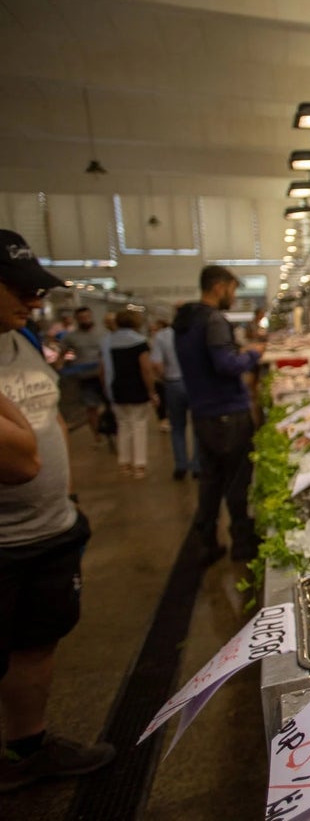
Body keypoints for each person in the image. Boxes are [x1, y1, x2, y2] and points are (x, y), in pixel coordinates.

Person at [0, 229, 115, 791]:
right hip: (3, 541)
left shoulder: (22, 338)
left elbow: (44, 422)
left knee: (37, 641)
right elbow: (19, 460)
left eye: (37, 288)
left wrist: (66, 494)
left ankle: (29, 744)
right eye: (19, 288)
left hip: (50, 530)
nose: (34, 299)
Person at [174, 265, 265, 565]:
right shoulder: (213, 319)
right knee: (238, 481)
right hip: (228, 413)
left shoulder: (185, 320)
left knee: (211, 481)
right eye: (233, 289)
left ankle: (206, 542)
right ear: (219, 287)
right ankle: (243, 545)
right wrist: (252, 353)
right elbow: (226, 364)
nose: (234, 296)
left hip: (202, 414)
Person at [100, 310, 158, 479]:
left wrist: (106, 389)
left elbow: (102, 370)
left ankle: (124, 463)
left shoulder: (107, 342)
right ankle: (139, 465)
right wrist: (152, 391)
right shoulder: (140, 342)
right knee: (139, 426)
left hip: (116, 389)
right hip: (137, 390)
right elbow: (146, 369)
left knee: (123, 426)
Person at [150, 311, 198, 481]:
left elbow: (156, 363)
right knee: (198, 425)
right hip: (195, 382)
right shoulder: (197, 333)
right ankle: (197, 465)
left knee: (177, 427)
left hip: (173, 383)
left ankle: (180, 465)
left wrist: (166, 377)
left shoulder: (162, 336)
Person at [58, 306, 108, 445]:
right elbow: (62, 354)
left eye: (87, 317)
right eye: (81, 318)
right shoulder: (71, 337)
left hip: (103, 375)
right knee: (91, 406)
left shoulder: (103, 333)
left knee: (111, 404)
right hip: (84, 376)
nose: (85, 320)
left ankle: (112, 429)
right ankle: (97, 436)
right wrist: (59, 366)